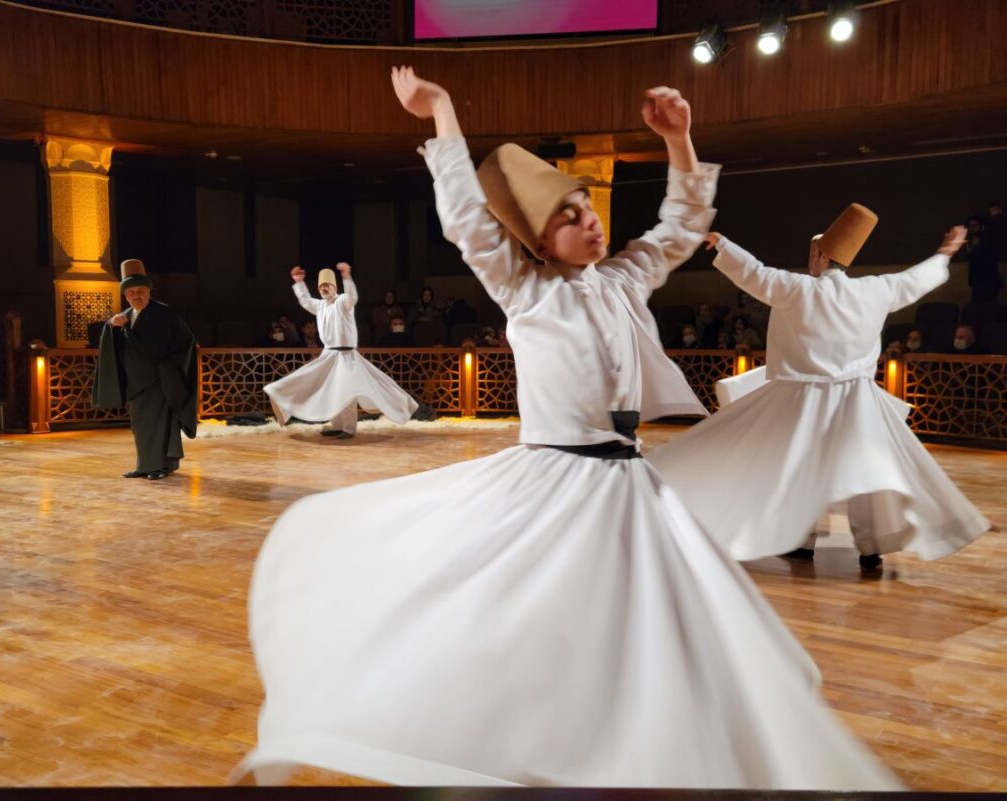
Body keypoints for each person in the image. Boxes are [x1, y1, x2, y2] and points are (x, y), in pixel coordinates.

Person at [234, 67, 898, 790]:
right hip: (553, 477)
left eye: (588, 207)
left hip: (626, 480)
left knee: (662, 615)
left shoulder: (623, 278)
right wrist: (443, 114)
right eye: (569, 216)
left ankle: (642, 738)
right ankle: (528, 739)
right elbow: (464, 217)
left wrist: (678, 138)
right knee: (540, 614)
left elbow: (681, 225)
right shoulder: (524, 291)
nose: (589, 220)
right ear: (541, 242)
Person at [649, 207, 989, 571]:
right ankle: (870, 544)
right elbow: (916, 279)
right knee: (865, 470)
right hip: (856, 399)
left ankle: (801, 538)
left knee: (798, 467)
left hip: (803, 398)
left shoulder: (797, 289)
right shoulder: (877, 289)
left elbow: (755, 274)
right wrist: (945, 253)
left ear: (821, 256)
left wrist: (722, 244)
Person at [264, 263, 435, 438]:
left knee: (346, 392)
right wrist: (299, 283)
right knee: (332, 390)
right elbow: (306, 301)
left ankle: (349, 428)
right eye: (321, 286)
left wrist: (347, 278)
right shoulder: (320, 306)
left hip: (346, 356)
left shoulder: (343, 301)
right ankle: (337, 425)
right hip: (329, 355)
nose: (323, 288)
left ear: (334, 287)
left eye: (327, 285)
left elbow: (352, 297)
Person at [91, 259, 197, 480]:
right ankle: (144, 465)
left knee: (161, 425)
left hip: (160, 380)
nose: (136, 295)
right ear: (125, 295)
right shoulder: (125, 316)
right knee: (141, 426)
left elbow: (186, 342)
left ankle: (161, 466)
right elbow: (115, 345)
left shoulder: (165, 314)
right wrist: (111, 327)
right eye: (131, 292)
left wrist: (167, 368)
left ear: (149, 291)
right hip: (135, 382)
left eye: (140, 290)